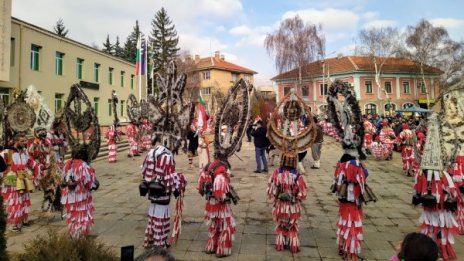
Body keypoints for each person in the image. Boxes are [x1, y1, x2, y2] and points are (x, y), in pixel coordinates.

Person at [141, 136, 186, 249]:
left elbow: (144, 171)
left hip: (152, 189)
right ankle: (159, 244)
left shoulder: (151, 152)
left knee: (152, 217)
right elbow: (168, 178)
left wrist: (152, 179)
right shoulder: (167, 156)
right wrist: (180, 182)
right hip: (163, 191)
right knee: (162, 218)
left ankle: (150, 241)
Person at [2, 133, 43, 232]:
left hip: (23, 178)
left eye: (25, 140)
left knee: (24, 200)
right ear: (16, 141)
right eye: (22, 141)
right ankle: (15, 224)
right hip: (12, 179)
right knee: (14, 201)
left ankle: (23, 220)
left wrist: (37, 170)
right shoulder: (7, 152)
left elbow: (31, 162)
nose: (25, 143)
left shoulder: (24, 152)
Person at [267, 151, 307, 253]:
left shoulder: (277, 173)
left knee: (281, 224)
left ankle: (280, 243)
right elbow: (302, 194)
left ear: (282, 160)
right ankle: (293, 245)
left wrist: (277, 196)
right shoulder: (298, 176)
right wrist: (295, 197)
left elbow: (272, 189)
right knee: (292, 225)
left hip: (281, 205)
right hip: (293, 206)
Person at [198, 159, 236, 258]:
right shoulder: (221, 176)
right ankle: (222, 249)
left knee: (214, 224)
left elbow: (201, 188)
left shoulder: (208, 168)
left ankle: (211, 247)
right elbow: (220, 195)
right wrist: (226, 196)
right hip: (221, 205)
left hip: (211, 204)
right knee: (226, 225)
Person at [61, 144, 99, 239]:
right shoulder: (85, 166)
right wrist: (95, 184)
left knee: (73, 215)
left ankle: (73, 234)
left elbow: (64, 178)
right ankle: (80, 236)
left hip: (70, 197)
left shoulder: (67, 164)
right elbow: (91, 184)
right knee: (83, 216)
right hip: (82, 197)